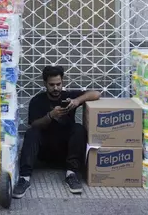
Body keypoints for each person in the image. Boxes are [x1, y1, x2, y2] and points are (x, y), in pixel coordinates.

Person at [12, 65, 101, 198]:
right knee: (32, 133)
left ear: (62, 82)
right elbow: (34, 124)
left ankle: (71, 174)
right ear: (45, 84)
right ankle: (24, 178)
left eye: (58, 84)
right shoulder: (37, 100)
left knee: (78, 128)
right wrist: (50, 116)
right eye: (52, 85)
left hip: (65, 152)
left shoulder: (68, 96)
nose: (56, 88)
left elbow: (96, 93)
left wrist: (77, 101)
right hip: (44, 152)